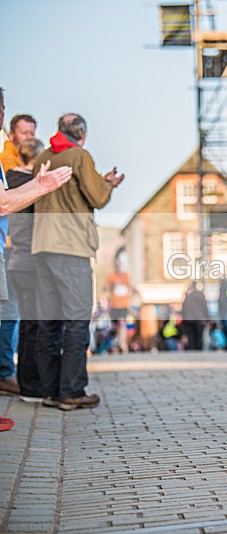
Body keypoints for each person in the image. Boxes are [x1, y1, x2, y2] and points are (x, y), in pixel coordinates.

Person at [32, 113, 124, 411]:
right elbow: (96, 198)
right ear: (82, 134)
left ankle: (49, 390)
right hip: (71, 247)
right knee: (75, 321)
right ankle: (71, 391)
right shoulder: (79, 156)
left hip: (42, 246)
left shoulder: (43, 157)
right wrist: (107, 184)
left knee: (48, 322)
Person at [0, 92, 73, 400]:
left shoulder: (12, 166)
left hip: (11, 253)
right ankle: (18, 379)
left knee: (20, 320)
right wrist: (43, 185)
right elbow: (5, 202)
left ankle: (16, 379)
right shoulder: (7, 156)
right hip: (25, 255)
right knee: (30, 321)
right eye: (25, 133)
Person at [6, 138, 45, 401]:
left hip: (14, 260)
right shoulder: (35, 187)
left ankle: (24, 382)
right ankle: (32, 387)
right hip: (32, 261)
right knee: (37, 325)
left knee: (23, 324)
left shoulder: (10, 182)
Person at [104, 256, 131, 353]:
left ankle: (122, 344)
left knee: (122, 323)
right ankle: (116, 343)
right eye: (116, 264)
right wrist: (112, 285)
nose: (118, 266)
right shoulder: (111, 276)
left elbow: (130, 288)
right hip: (114, 304)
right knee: (115, 326)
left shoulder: (126, 276)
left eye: (119, 264)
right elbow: (104, 288)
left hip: (123, 304)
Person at [181, 282, 209, 351]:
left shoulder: (187, 297)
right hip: (199, 320)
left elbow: (184, 310)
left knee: (191, 337)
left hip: (189, 320)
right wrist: (207, 319)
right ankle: (198, 351)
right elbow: (205, 308)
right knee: (199, 338)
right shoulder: (200, 295)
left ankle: (192, 351)